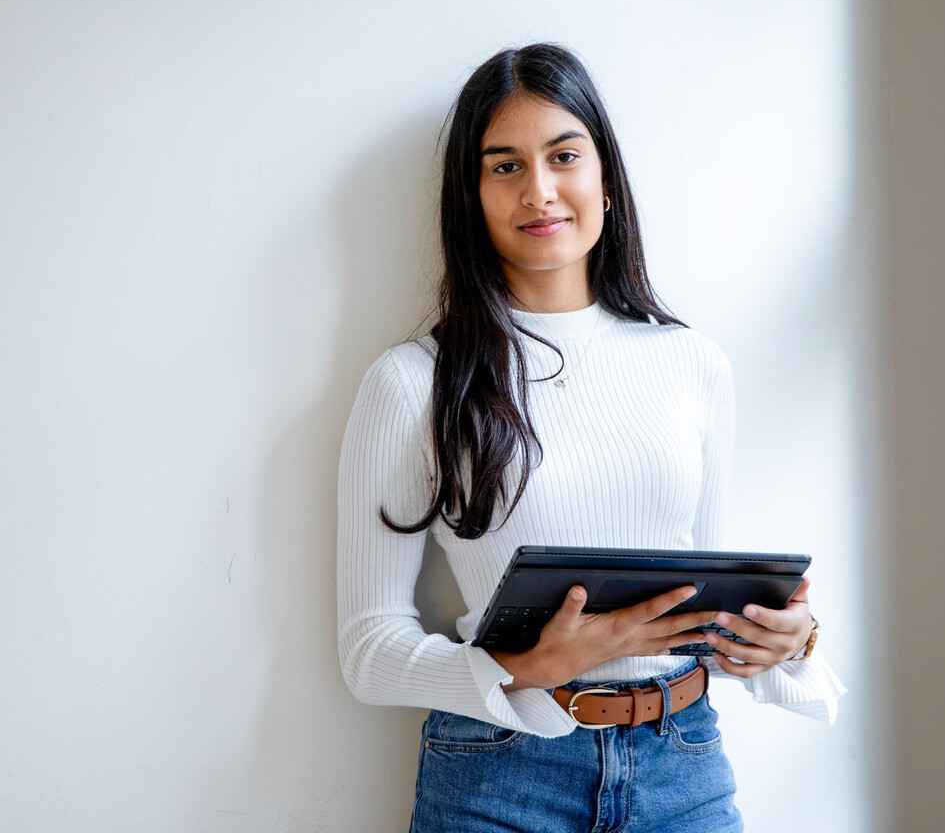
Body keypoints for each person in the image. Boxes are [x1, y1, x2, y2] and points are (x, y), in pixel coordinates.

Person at [338, 43, 845, 832]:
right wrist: (525, 668)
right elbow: (368, 649)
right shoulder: (413, 384)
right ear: (470, 197)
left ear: (605, 178)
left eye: (563, 155)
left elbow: (702, 600)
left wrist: (787, 638)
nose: (539, 190)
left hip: (683, 764)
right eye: (503, 166)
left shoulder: (692, 363)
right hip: (497, 774)